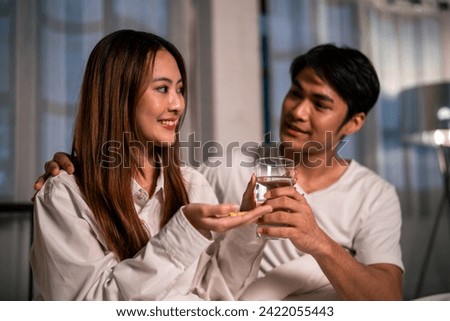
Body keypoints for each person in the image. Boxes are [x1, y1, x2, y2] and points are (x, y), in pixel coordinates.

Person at [35, 44, 404, 300]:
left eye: (320, 103)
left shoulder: (375, 195)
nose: (298, 112)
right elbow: (148, 194)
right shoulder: (225, 170)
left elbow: (388, 301)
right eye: (295, 93)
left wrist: (318, 242)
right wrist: (72, 169)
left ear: (354, 123)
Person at [30, 29, 271, 301]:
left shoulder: (193, 184)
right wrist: (183, 233)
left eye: (180, 89)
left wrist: (250, 226)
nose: (178, 104)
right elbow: (86, 306)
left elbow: (216, 294)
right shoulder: (63, 196)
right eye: (162, 88)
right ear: (118, 95)